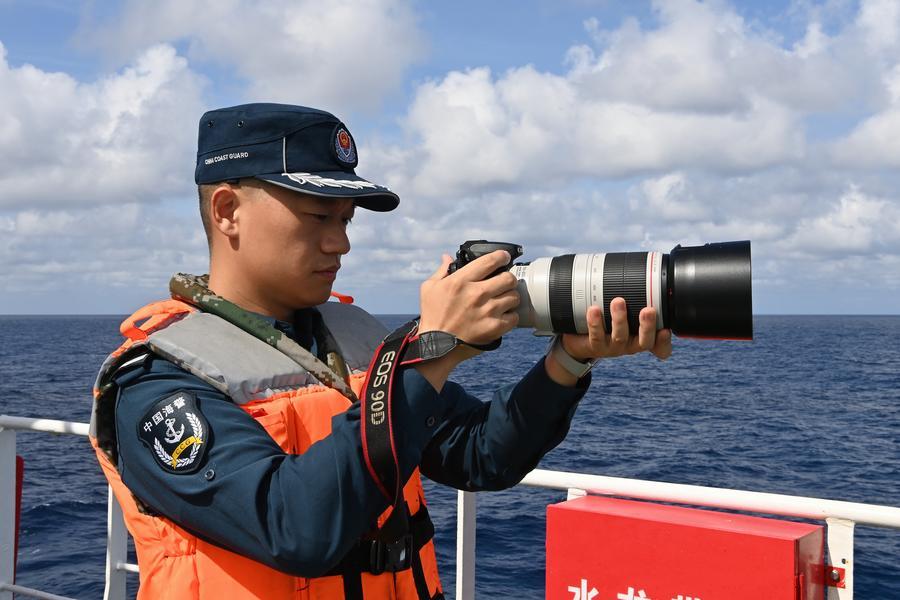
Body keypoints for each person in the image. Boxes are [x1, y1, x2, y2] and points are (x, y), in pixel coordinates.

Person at [89, 103, 671, 599]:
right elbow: (295, 527)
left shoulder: (358, 340)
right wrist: (434, 353)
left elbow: (479, 454)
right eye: (319, 216)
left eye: (346, 220)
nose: (340, 242)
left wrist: (568, 361)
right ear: (227, 211)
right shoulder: (155, 382)